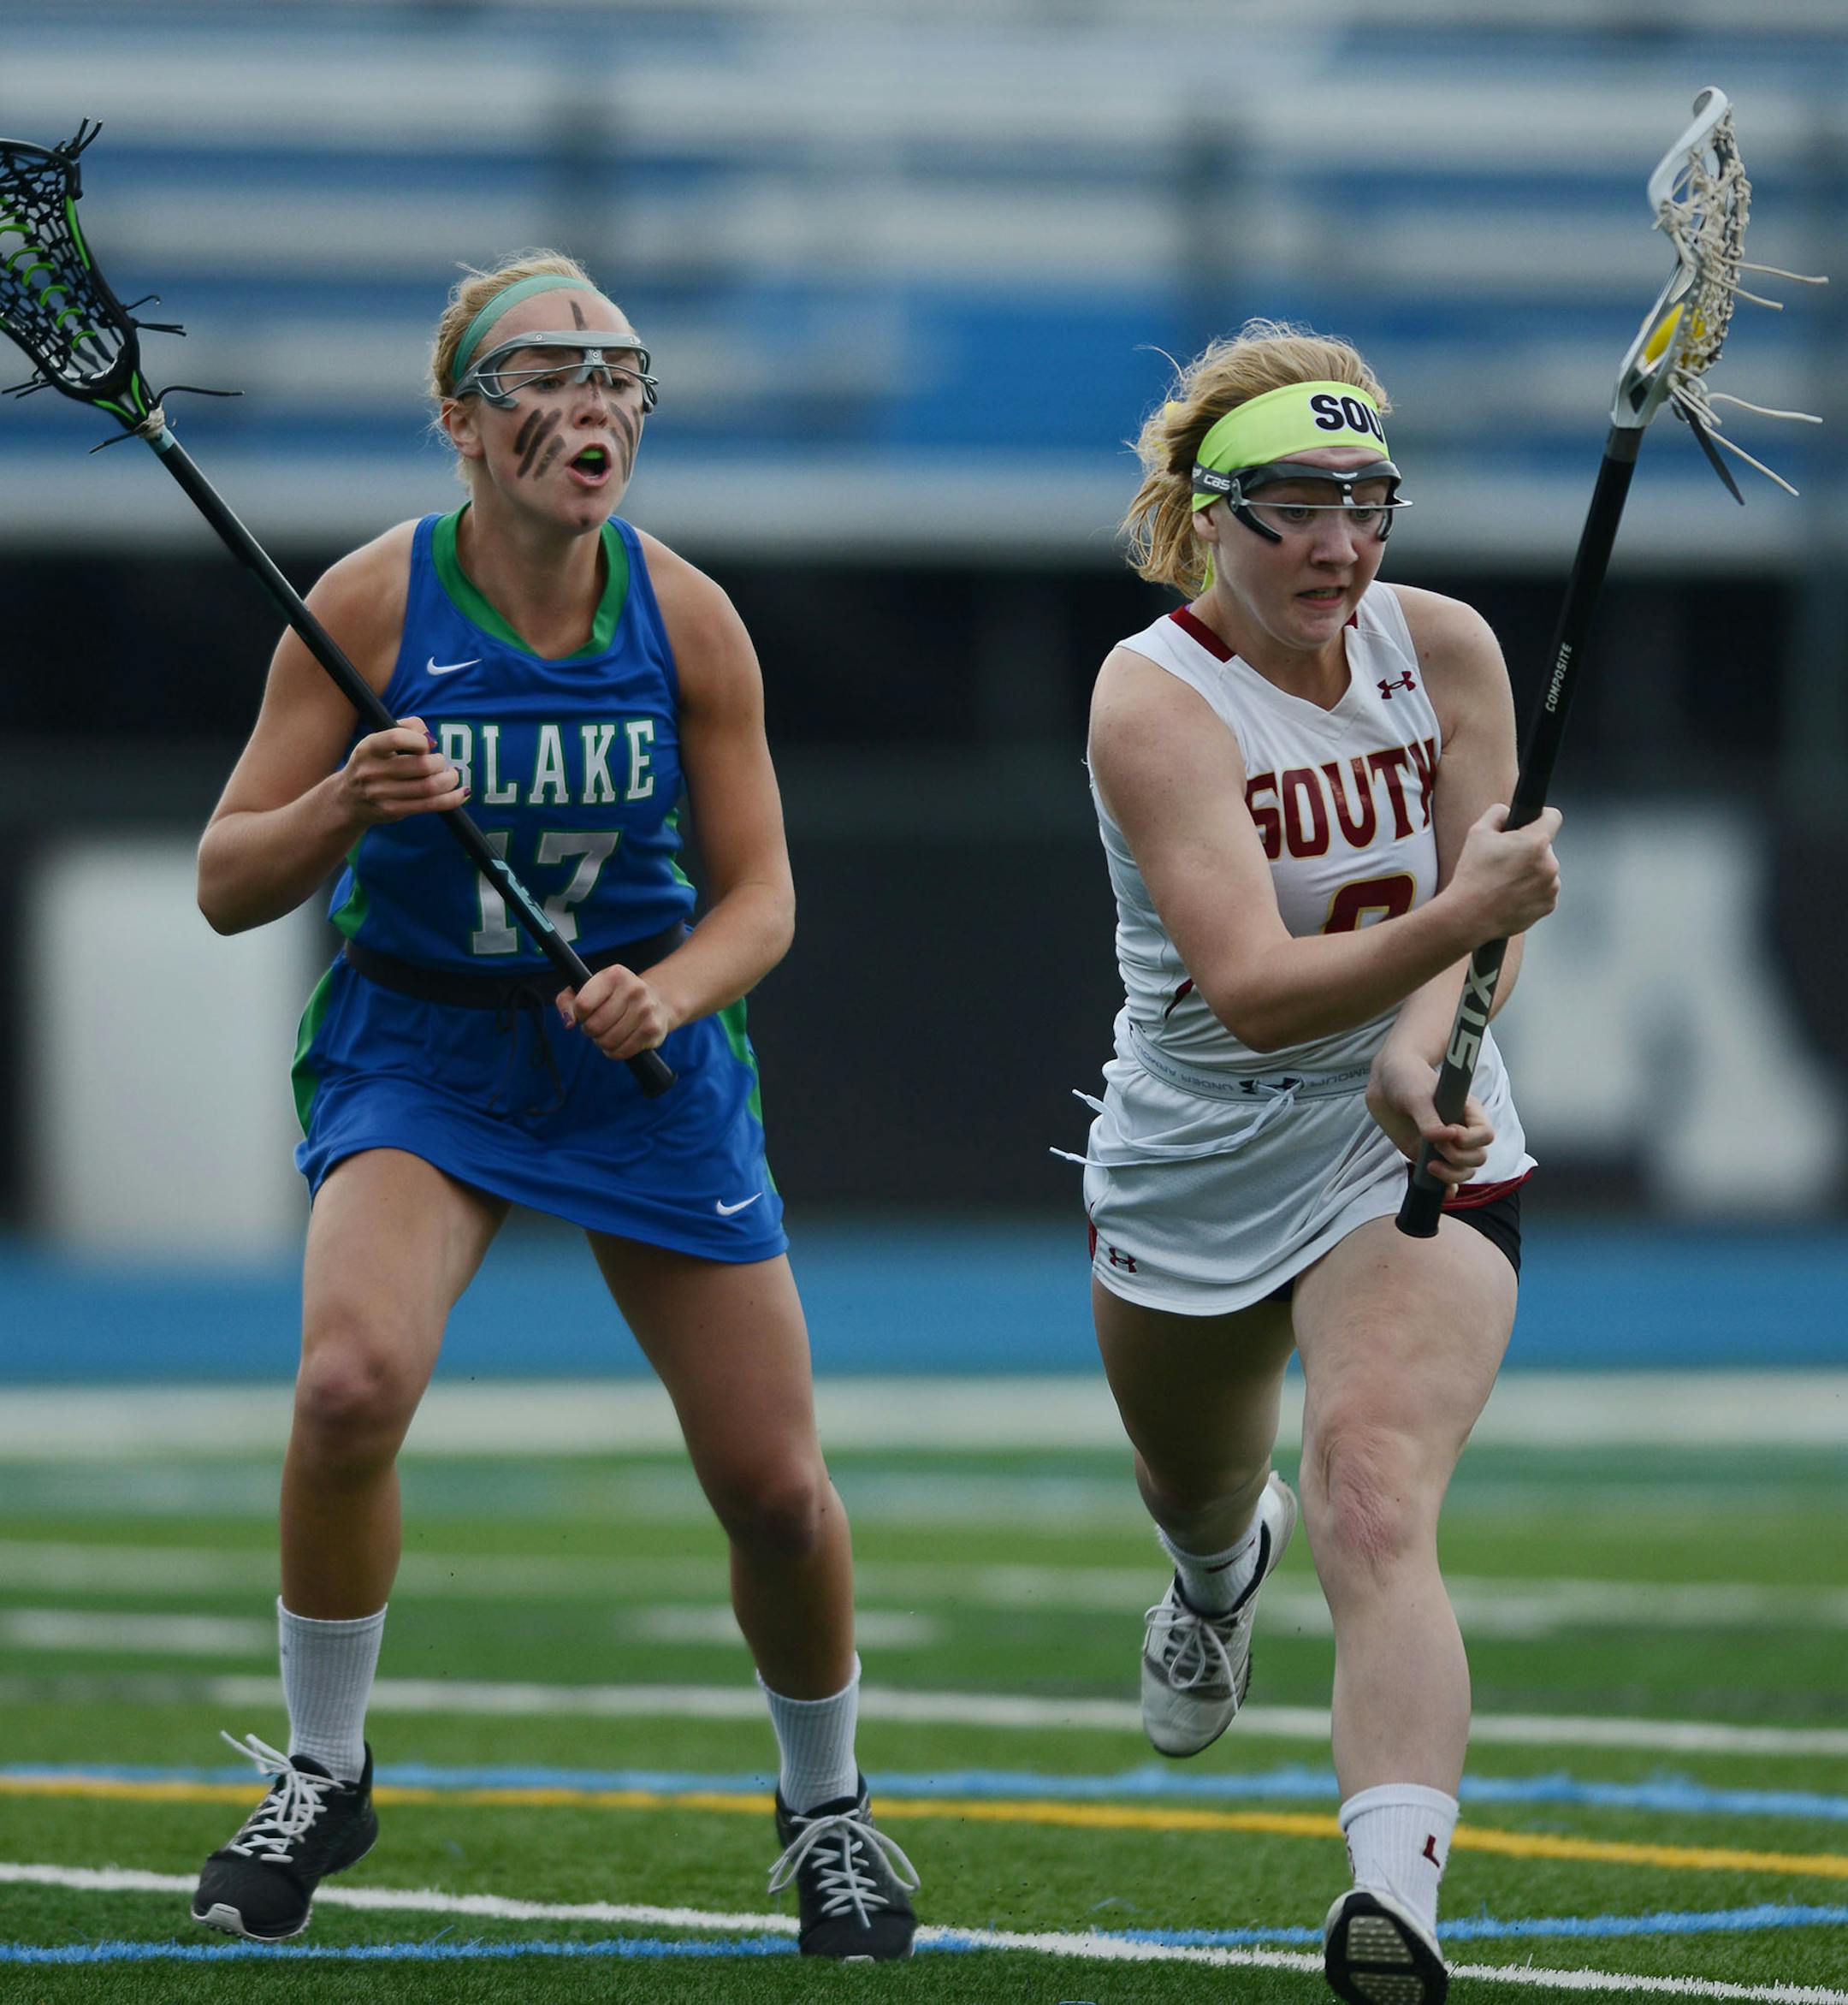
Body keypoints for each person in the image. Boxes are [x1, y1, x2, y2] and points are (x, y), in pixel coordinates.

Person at [187, 251, 918, 1960]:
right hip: (424, 1050)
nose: (595, 403)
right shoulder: (372, 605)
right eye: (548, 373)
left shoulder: (691, 618)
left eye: (619, 374)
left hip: (640, 1070)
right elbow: (228, 877)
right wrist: (348, 807)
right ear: (461, 421)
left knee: (777, 1489)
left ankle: (829, 1811)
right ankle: (326, 1764)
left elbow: (763, 900)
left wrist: (668, 990)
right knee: (350, 1379)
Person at [1069, 322, 1560, 2005]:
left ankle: (1391, 1902)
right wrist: (1465, 920)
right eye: (1293, 501)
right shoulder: (1153, 696)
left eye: (1369, 500)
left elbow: (1472, 944)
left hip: (1399, 1146)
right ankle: (1216, 1575)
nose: (1339, 544)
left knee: (1368, 1486)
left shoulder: (1451, 651)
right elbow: (1256, 992)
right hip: (1195, 1160)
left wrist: (1431, 1046)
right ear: (1207, 512)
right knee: (1206, 1495)